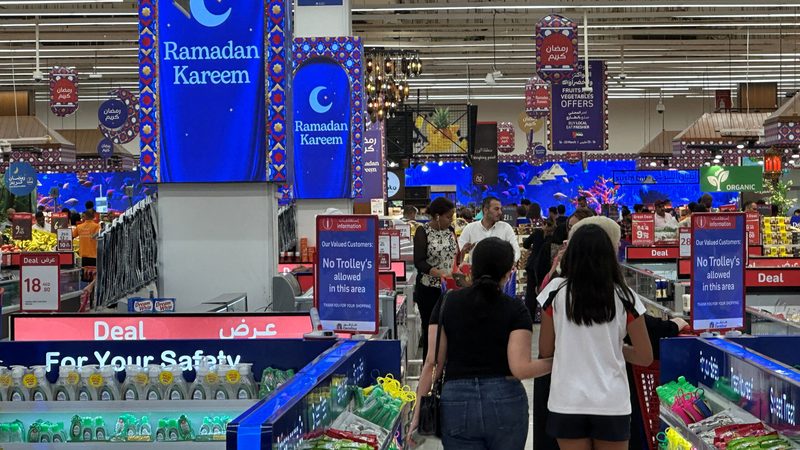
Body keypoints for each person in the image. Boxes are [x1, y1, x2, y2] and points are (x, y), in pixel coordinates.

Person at [411, 237, 553, 449]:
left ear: (472, 268)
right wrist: (558, 361)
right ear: (508, 273)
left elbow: (432, 363)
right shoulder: (516, 309)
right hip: (505, 399)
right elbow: (521, 369)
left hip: (456, 401)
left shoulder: (447, 302)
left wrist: (416, 417)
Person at [538, 224, 653, 450]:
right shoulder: (625, 296)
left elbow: (545, 351)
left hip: (567, 401)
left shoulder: (555, 292)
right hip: (612, 403)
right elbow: (644, 356)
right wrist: (613, 346)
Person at [413, 197, 457, 362]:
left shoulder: (450, 230)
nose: (450, 220)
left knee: (449, 330)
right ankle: (429, 367)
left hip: (449, 288)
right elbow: (419, 262)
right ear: (437, 216)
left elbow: (453, 256)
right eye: (448, 216)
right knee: (431, 331)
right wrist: (438, 273)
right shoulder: (422, 231)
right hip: (428, 289)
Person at [459, 196, 521, 261]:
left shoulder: (506, 228)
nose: (500, 212)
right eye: (496, 209)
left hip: (500, 270)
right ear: (485, 210)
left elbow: (516, 251)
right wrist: (464, 251)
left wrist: (510, 264)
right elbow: (460, 251)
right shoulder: (470, 228)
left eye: (500, 209)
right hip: (477, 270)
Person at [74, 209, 101, 274]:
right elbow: (99, 237)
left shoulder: (79, 227)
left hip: (83, 256)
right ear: (93, 216)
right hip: (94, 255)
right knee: (93, 276)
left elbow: (72, 236)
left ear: (85, 216)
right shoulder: (97, 226)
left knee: (84, 276)